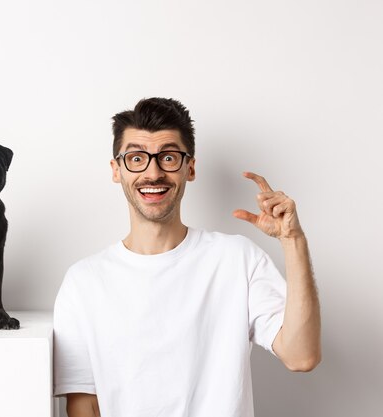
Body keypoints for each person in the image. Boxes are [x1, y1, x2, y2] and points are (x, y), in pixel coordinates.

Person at [53, 97, 321, 417]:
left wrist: (293, 240)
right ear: (117, 170)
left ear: (189, 168)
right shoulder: (84, 282)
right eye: (137, 158)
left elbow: (301, 356)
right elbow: (84, 405)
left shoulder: (236, 259)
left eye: (168, 157)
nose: (153, 173)